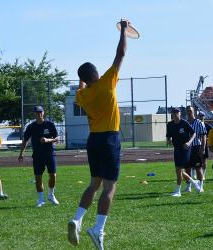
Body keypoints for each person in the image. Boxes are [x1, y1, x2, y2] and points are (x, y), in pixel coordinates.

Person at [67, 19, 131, 250]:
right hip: (110, 138)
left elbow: (81, 87)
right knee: (109, 187)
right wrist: (124, 29)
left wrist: (81, 79)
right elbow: (121, 53)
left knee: (94, 183)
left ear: (83, 78)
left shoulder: (81, 96)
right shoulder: (106, 82)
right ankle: (98, 229)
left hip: (93, 140)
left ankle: (77, 218)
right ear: (96, 73)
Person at [18, 106, 59, 207]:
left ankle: (51, 195)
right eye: (37, 112)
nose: (39, 114)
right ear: (34, 114)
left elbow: (57, 138)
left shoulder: (50, 124)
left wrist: (48, 140)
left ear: (43, 113)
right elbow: (25, 140)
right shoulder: (31, 127)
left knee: (53, 176)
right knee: (38, 178)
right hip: (37, 155)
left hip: (50, 153)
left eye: (40, 112)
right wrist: (21, 153)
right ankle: (40, 200)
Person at [166, 107, 201, 196]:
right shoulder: (170, 124)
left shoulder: (184, 123)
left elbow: (194, 133)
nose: (175, 114)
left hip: (185, 149)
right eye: (174, 113)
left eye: (177, 112)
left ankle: (178, 191)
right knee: (179, 170)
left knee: (178, 170)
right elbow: (168, 135)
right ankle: (194, 182)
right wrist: (169, 140)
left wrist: (189, 142)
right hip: (176, 149)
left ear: (180, 113)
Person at [184, 106, 207, 192]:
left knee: (198, 167)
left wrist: (202, 148)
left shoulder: (199, 123)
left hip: (196, 147)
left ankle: (201, 186)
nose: (188, 112)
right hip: (187, 148)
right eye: (187, 111)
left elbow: (204, 136)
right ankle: (188, 186)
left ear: (194, 111)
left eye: (190, 110)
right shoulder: (184, 123)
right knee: (187, 168)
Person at [198, 111, 213, 179]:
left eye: (202, 116)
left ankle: (203, 175)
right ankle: (194, 175)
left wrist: (207, 139)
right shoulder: (195, 125)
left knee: (204, 160)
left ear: (204, 117)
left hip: (204, 145)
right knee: (195, 160)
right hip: (196, 145)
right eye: (200, 116)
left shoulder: (207, 126)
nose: (201, 117)